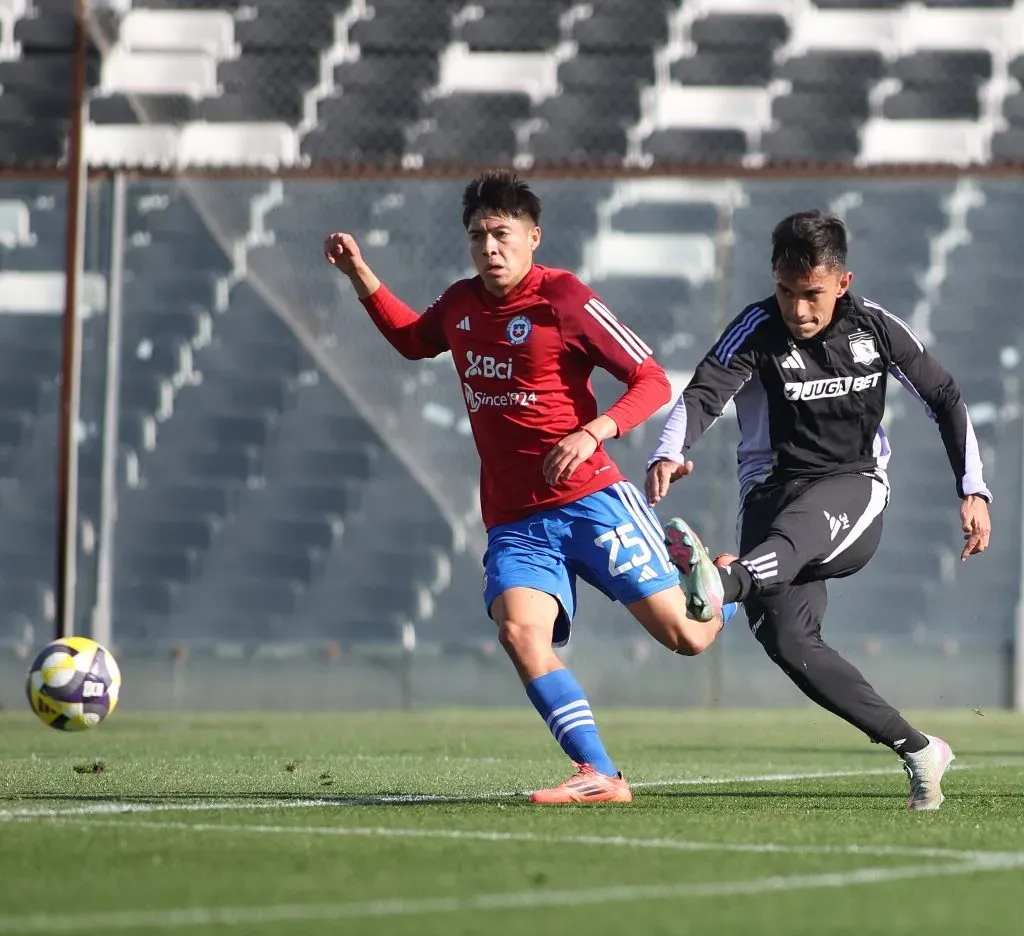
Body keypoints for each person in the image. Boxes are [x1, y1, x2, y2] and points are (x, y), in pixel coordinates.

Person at [324, 170, 729, 805]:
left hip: (593, 501)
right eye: (478, 235)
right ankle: (599, 774)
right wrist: (359, 275)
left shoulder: (564, 298)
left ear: (533, 237)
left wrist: (593, 432)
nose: (489, 246)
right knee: (519, 633)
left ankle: (726, 580)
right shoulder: (460, 304)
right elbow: (411, 340)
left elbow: (650, 378)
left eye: (501, 233)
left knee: (690, 638)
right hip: (515, 519)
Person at [645, 210, 992, 811]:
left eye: (812, 295)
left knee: (789, 538)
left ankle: (725, 580)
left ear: (842, 282)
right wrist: (669, 451)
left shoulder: (877, 328)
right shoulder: (755, 329)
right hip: (770, 496)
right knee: (789, 641)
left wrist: (974, 488)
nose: (798, 310)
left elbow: (944, 394)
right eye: (786, 292)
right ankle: (919, 750)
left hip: (852, 487)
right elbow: (704, 391)